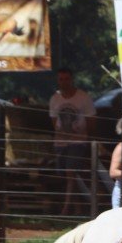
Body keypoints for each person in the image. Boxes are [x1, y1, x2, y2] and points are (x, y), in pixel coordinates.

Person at [49, 67, 96, 216]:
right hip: (60, 143)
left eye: (66, 79)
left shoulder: (83, 97)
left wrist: (80, 132)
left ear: (72, 79)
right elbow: (54, 122)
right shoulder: (54, 99)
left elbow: (91, 121)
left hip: (78, 142)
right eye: (61, 79)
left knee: (71, 172)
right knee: (66, 176)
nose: (64, 82)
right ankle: (77, 208)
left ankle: (66, 209)